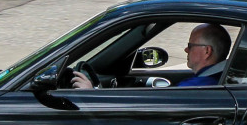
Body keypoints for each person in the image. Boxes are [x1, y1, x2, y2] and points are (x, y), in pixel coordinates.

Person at [70, 23, 231, 89]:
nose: (185, 50)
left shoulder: (199, 85)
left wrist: (93, 95)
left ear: (207, 51)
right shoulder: (219, 78)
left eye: (190, 46)